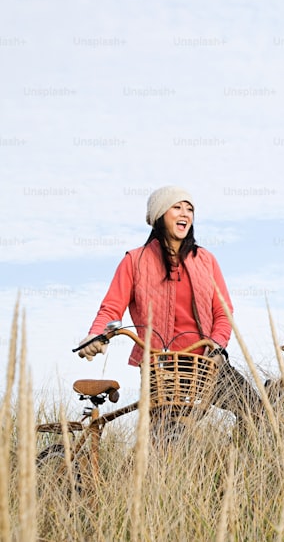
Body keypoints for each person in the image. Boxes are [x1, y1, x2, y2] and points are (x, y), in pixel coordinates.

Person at [77, 185, 263, 431]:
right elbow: (111, 308)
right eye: (177, 207)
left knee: (255, 411)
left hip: (204, 360)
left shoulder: (205, 261)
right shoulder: (135, 260)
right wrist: (97, 335)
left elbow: (223, 312)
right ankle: (154, 467)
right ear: (159, 215)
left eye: (190, 209)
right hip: (159, 363)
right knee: (167, 432)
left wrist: (217, 345)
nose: (185, 213)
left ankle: (238, 461)